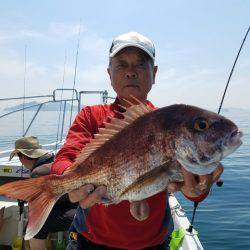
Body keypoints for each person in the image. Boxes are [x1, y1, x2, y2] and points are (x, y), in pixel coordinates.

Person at [51, 32, 224, 250]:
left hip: (152, 245)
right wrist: (67, 180)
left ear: (155, 73)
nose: (131, 72)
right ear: (109, 73)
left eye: (140, 65)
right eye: (121, 65)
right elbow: (65, 158)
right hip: (90, 243)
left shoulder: (171, 127)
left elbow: (194, 189)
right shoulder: (90, 116)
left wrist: (198, 190)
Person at [9, 136, 77, 250]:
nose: (20, 161)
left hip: (71, 214)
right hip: (78, 210)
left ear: (24, 155)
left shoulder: (38, 173)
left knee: (33, 230)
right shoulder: (54, 162)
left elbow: (43, 202)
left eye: (18, 156)